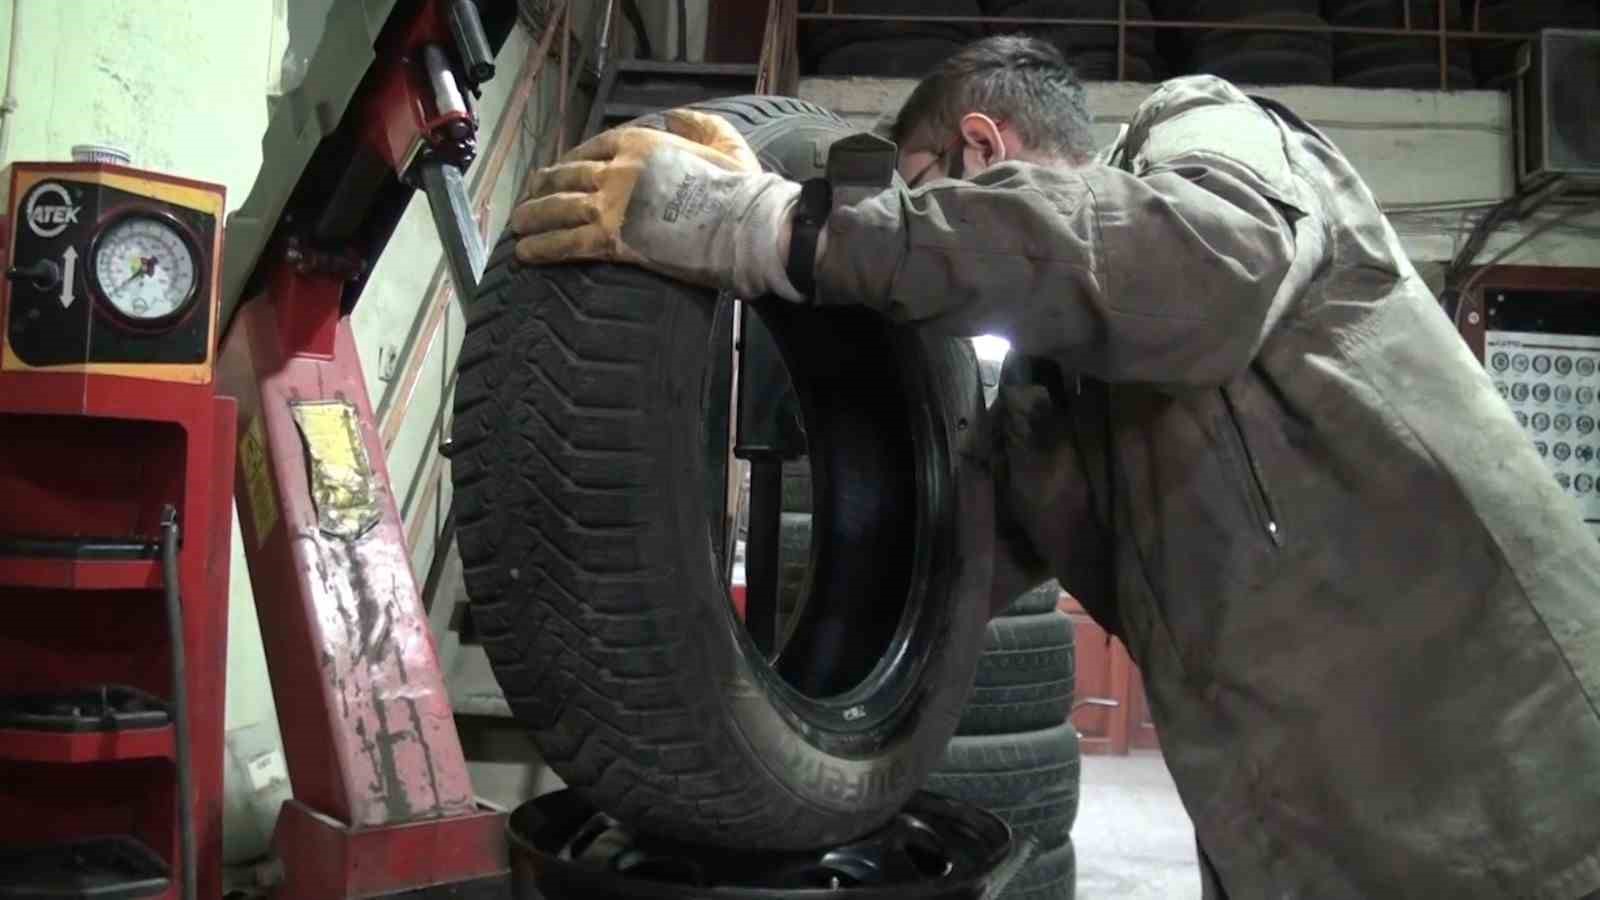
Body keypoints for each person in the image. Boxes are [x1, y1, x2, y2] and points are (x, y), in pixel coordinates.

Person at [509, 34, 1600, 899]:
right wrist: (697, 701)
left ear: (981, 151)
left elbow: (1195, 263)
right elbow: (927, 577)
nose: (911, 260)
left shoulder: (1206, 130)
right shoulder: (1055, 406)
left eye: (922, 193)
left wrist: (778, 230)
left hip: (1522, 786)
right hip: (1300, 843)